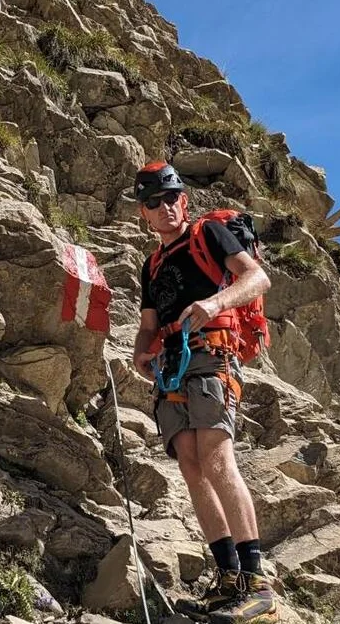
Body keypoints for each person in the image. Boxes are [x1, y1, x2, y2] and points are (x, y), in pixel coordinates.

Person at [131, 162, 277, 624]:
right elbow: (148, 326)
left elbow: (256, 278)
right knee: (192, 466)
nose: (165, 207)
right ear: (144, 214)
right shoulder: (150, 264)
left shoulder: (210, 235)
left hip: (212, 351)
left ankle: (257, 583)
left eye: (171, 197)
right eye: (154, 202)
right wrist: (140, 353)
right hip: (172, 364)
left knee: (216, 456)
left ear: (183, 201)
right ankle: (228, 578)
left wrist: (214, 302)